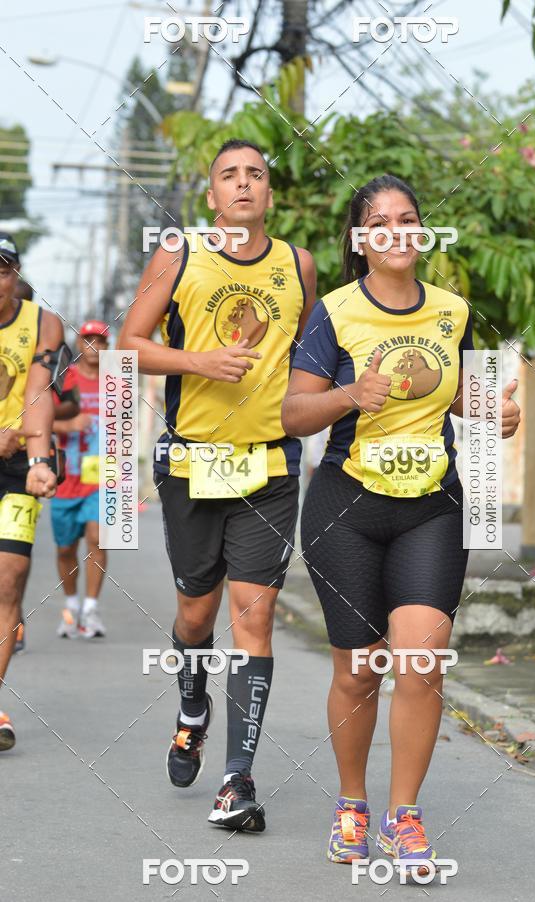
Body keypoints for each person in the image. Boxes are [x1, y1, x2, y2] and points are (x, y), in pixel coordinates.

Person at [282, 175, 521, 868]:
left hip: (431, 509)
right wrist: (350, 394)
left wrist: (497, 415)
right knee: (359, 672)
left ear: (421, 231)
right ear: (359, 240)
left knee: (420, 664)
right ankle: (353, 803)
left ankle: (404, 816)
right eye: (378, 223)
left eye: (407, 219)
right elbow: (292, 415)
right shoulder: (334, 312)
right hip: (346, 506)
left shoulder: (452, 310)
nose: (395, 231)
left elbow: (466, 398)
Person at [118, 139, 316, 831]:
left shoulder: (298, 265)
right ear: (211, 195)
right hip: (192, 463)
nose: (242, 184)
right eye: (228, 174)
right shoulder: (178, 254)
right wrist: (198, 360)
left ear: (269, 193)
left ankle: (238, 780)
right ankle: (192, 705)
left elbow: (312, 361)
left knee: (253, 618)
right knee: (196, 617)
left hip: (270, 467)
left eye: (255, 175)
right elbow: (129, 343)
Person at [0, 233, 64, 750]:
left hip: (16, 464)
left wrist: (38, 457)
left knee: (9, 578)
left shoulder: (42, 323)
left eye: (3, 269)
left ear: (16, 276)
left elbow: (39, 391)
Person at [51, 321, 108, 639]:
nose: (94, 346)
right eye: (88, 340)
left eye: (100, 341)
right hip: (67, 475)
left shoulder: (116, 380)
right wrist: (69, 425)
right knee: (65, 549)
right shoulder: (65, 379)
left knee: (97, 537)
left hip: (102, 477)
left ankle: (90, 609)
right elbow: (40, 419)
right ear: (79, 342)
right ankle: (71, 606)